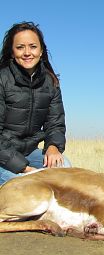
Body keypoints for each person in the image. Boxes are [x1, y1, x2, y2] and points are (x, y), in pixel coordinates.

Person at [0, 21, 71, 185]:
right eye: (20, 47)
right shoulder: (2, 79)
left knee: (65, 168)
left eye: (32, 46)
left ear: (41, 51)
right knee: (23, 185)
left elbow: (55, 123)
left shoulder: (50, 82)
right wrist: (23, 168)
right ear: (12, 52)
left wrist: (53, 147)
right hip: (3, 155)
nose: (27, 53)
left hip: (29, 152)